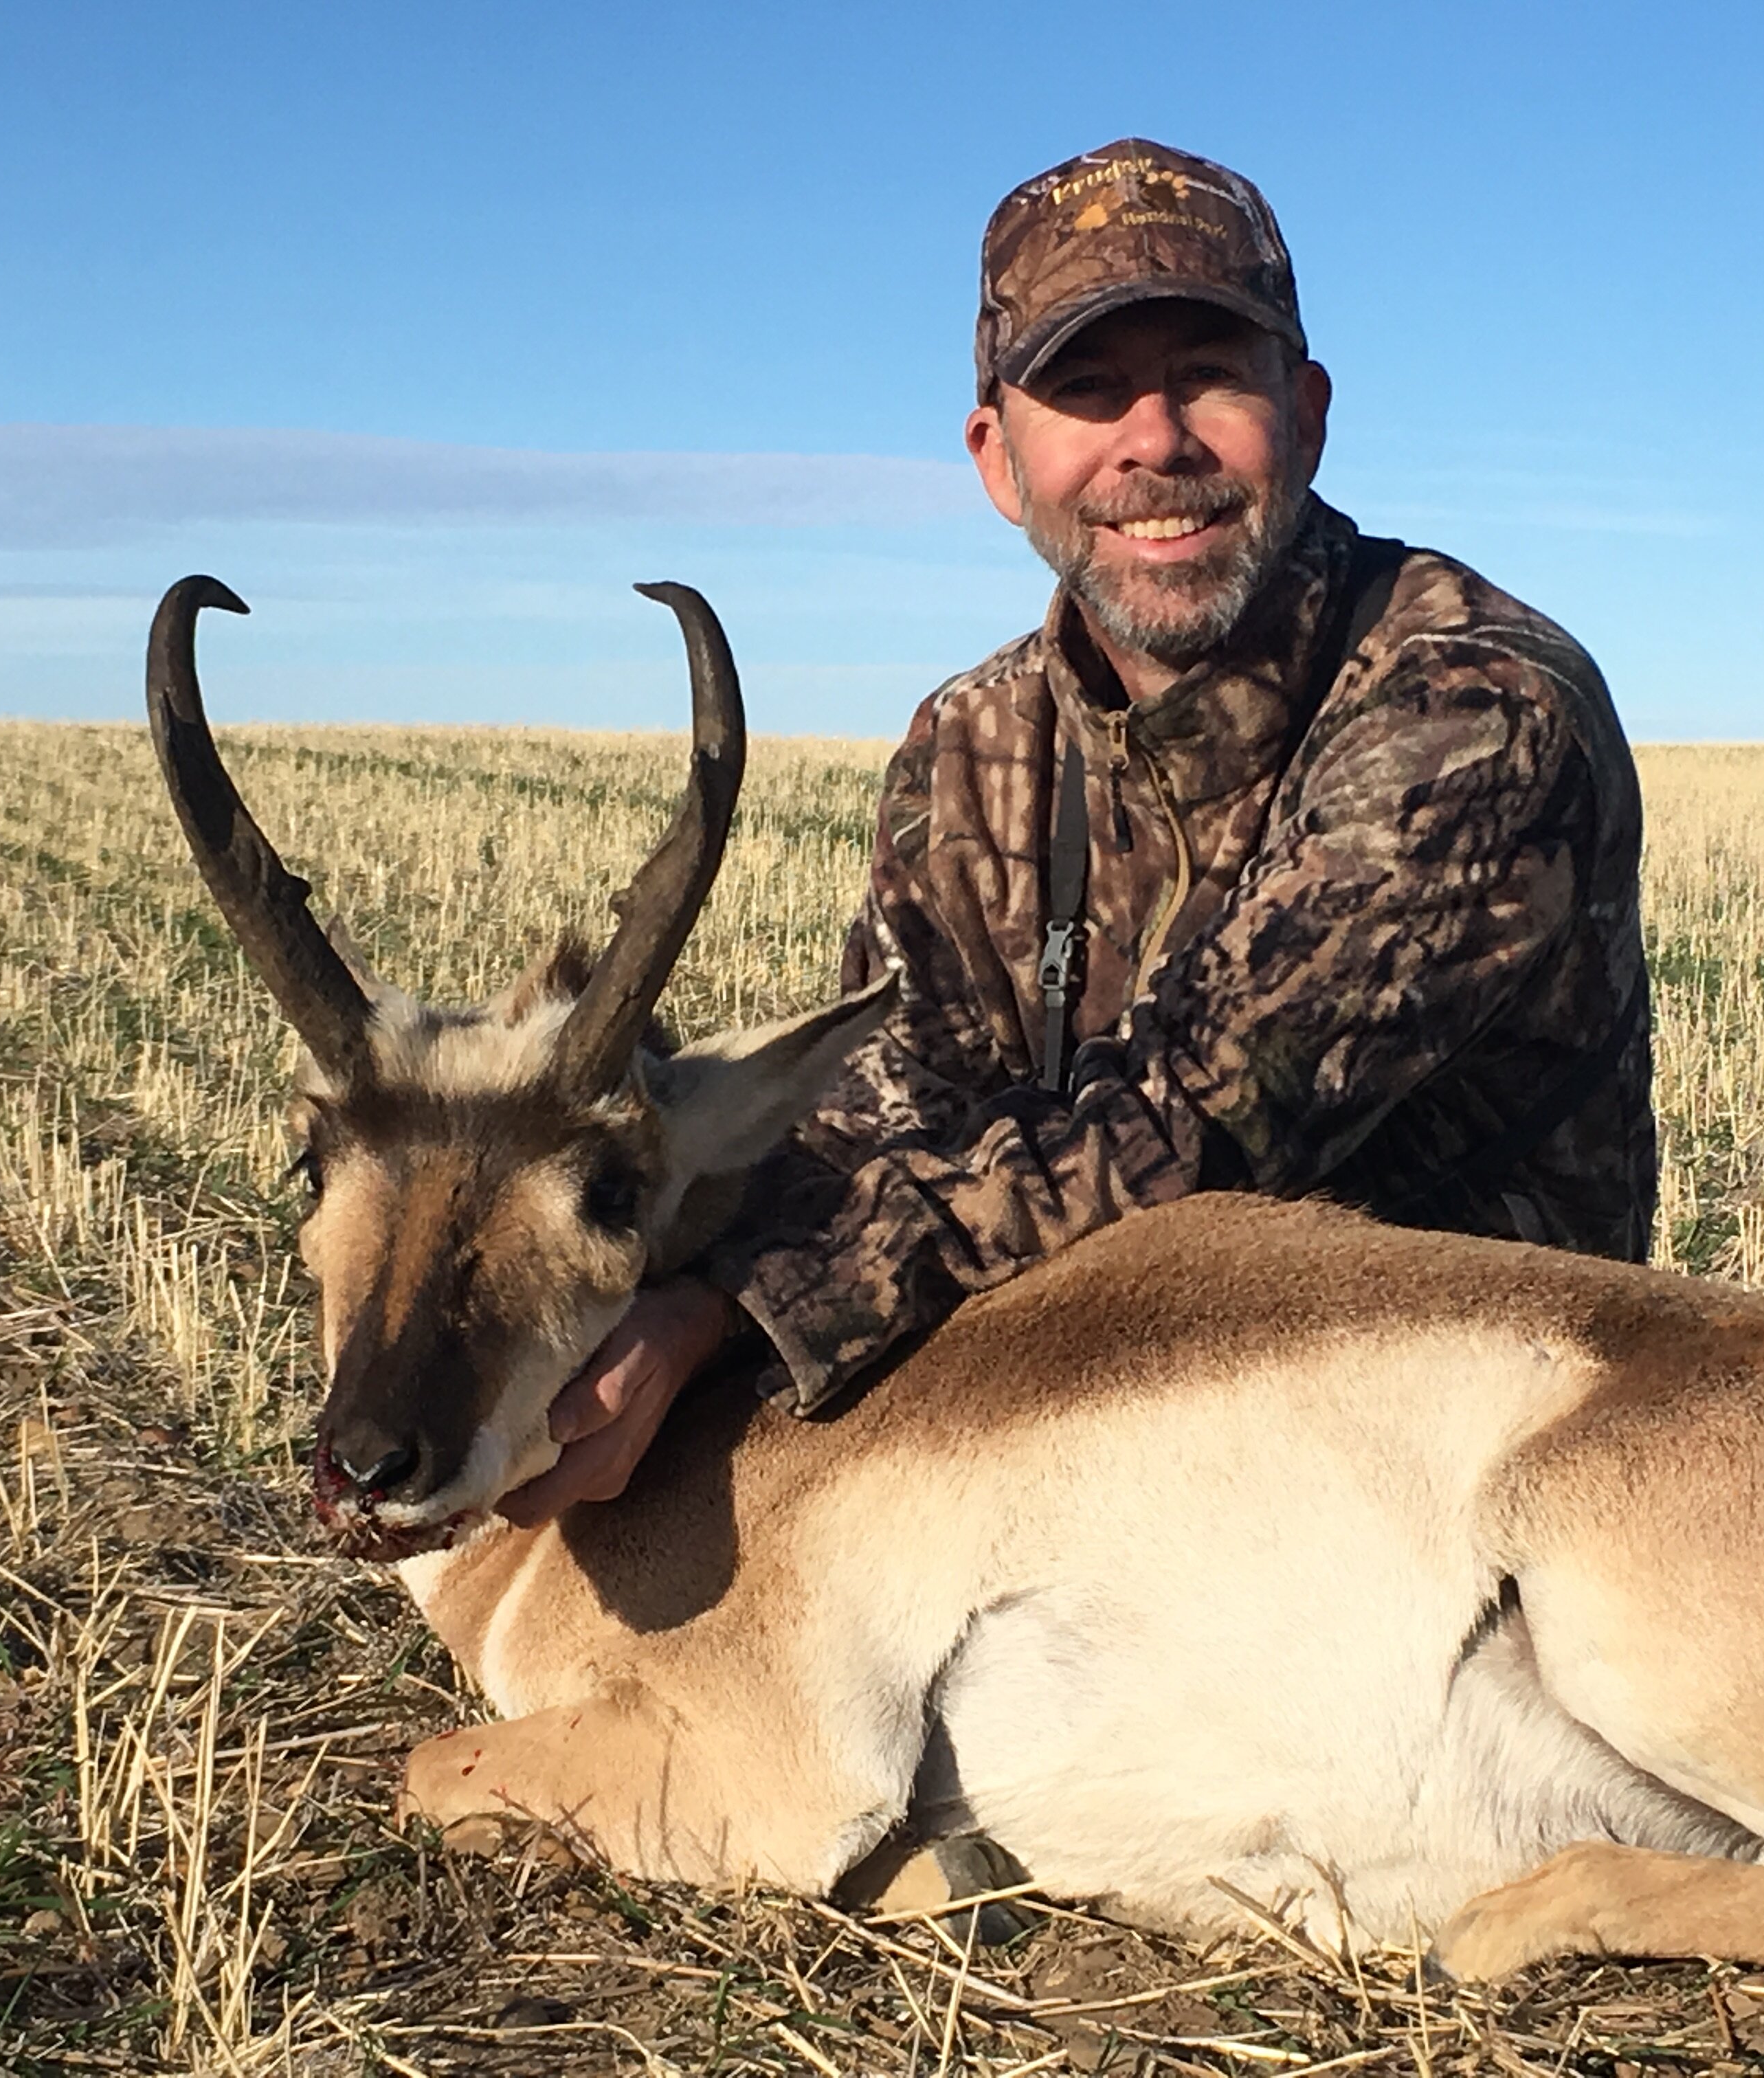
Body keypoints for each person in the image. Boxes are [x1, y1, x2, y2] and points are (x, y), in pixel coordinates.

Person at [502, 138, 1655, 1527]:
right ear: (999, 458)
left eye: (1210, 376)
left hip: (1457, 1463)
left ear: (1307, 409)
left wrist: (736, 1310)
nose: (1154, 443)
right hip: (1086, 1405)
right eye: (1089, 391)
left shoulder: (1473, 702)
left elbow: (1207, 1125)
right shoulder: (971, 743)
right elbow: (892, 1118)